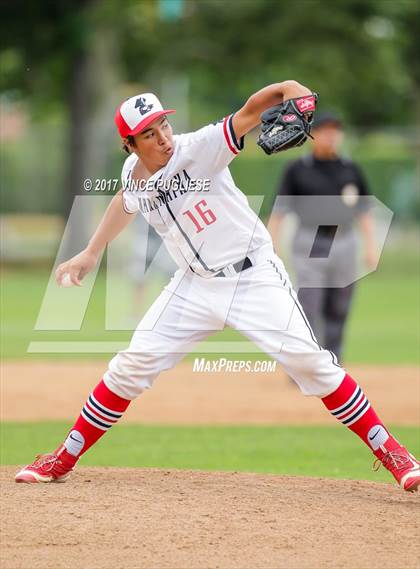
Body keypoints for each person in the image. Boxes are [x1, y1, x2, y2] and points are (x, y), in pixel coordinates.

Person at [15, 84, 419, 492]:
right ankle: (62, 458)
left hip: (253, 277)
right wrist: (91, 251)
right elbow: (126, 199)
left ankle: (396, 455)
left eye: (164, 124)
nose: (164, 137)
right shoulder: (133, 174)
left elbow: (249, 110)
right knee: (131, 365)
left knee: (312, 364)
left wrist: (291, 90)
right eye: (150, 134)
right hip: (193, 285)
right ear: (130, 144)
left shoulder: (202, 146)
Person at [268, 111, 377, 363]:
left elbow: (364, 212)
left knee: (339, 306)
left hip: (345, 240)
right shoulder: (298, 169)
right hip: (312, 241)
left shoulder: (350, 169)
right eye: (326, 130)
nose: (331, 136)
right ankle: (306, 363)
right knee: (310, 303)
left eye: (335, 130)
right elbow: (279, 211)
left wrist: (371, 246)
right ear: (313, 135)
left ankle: (333, 364)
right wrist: (273, 244)